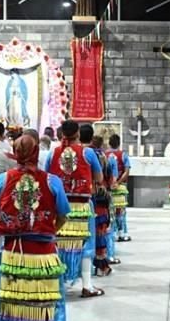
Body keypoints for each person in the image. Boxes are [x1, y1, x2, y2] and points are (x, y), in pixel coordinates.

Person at [0, 134, 76, 321]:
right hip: (44, 254)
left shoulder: (3, 179)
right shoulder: (51, 181)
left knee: (9, 302)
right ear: (37, 152)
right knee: (51, 302)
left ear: (15, 152)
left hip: (12, 253)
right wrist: (47, 231)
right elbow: (62, 214)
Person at [46, 121, 105, 298]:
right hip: (82, 206)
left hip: (59, 206)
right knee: (85, 244)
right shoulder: (87, 152)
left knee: (59, 242)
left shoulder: (53, 153)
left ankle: (59, 282)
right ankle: (86, 285)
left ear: (61, 133)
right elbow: (99, 177)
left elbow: (47, 177)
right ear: (78, 133)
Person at [87, 128, 117, 275]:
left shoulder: (83, 154)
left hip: (86, 195)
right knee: (100, 231)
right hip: (100, 197)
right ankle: (100, 264)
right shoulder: (102, 156)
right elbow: (109, 177)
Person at [106, 133, 132, 242]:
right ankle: (122, 233)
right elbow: (127, 172)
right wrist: (118, 182)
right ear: (119, 143)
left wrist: (110, 182)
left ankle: (113, 233)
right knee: (120, 211)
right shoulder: (123, 155)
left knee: (110, 211)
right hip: (120, 187)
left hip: (109, 187)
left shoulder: (105, 154)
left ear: (109, 143)